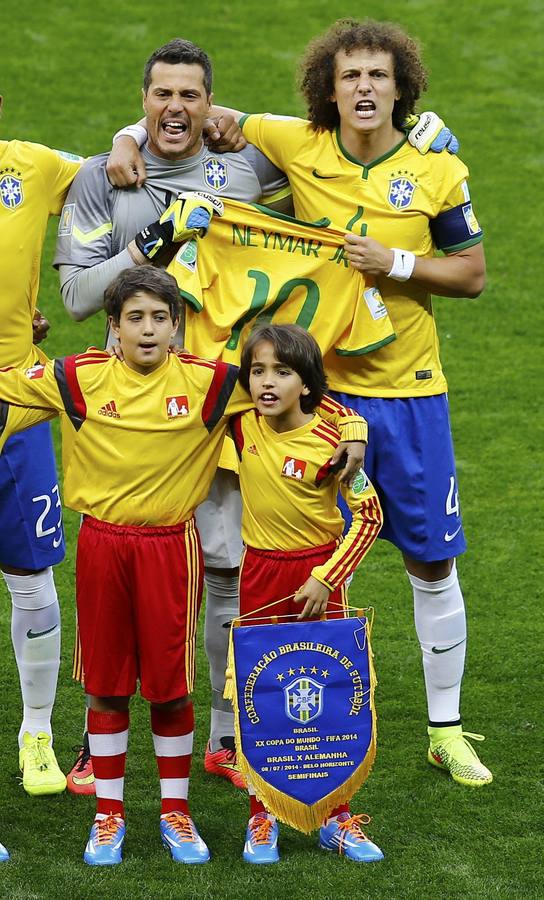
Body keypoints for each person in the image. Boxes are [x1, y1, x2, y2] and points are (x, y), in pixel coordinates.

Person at [0, 266, 368, 866]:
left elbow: (292, 386)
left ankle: (176, 812)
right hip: (102, 545)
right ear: (113, 326)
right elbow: (8, 388)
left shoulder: (212, 383)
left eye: (160, 318)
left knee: (171, 689)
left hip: (173, 546)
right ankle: (109, 816)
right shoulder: (76, 376)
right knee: (105, 686)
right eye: (135, 318)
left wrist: (352, 426)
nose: (148, 330)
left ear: (176, 326)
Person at [219, 17, 491, 786]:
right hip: (317, 400)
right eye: (350, 76)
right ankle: (285, 729)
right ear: (327, 89)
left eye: (378, 75)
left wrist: (397, 262)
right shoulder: (295, 142)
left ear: (402, 88)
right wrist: (128, 141)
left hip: (410, 395)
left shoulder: (438, 168)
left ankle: (446, 730)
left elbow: (471, 274)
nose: (364, 87)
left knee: (431, 560)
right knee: (300, 559)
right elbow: (209, 116)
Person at [54, 38, 294, 792]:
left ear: (210, 102)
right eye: (162, 95)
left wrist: (243, 121)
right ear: (143, 99)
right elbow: (77, 297)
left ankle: (223, 736)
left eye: (192, 95)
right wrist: (151, 242)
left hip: (222, 403)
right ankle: (99, 738)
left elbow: (326, 159)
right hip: (132, 410)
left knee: (225, 569)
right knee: (120, 576)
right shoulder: (103, 175)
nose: (176, 108)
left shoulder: (243, 167)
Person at [230, 323, 383, 864]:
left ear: (308, 384)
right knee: (260, 691)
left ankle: (336, 818)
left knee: (331, 690)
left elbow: (370, 516)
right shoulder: (240, 424)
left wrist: (327, 576)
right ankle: (263, 815)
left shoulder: (334, 444)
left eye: (283, 372)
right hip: (259, 575)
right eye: (258, 371)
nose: (267, 382)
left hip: (317, 580)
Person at [0, 92, 85, 817]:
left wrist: (133, 137)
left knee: (32, 575)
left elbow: (121, 174)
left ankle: (37, 733)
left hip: (19, 399)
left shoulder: (31, 166)